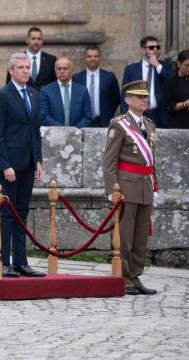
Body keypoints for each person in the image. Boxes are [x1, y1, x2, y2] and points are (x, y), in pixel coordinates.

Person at [0, 53, 46, 278]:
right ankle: (4, 262)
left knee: (22, 211)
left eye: (27, 67)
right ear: (11, 70)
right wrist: (5, 165)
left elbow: (36, 130)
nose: (25, 71)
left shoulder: (34, 94)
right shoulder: (2, 95)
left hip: (28, 162)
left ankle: (21, 261)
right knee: (8, 213)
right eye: (20, 67)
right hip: (9, 163)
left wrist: (38, 159)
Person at [102, 80, 158, 296]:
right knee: (124, 235)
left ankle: (135, 276)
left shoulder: (150, 125)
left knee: (140, 235)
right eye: (139, 97)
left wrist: (156, 186)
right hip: (126, 186)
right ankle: (123, 277)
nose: (144, 100)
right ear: (128, 100)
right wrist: (111, 190)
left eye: (145, 97)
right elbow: (109, 160)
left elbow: (152, 160)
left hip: (145, 186)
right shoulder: (119, 124)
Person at [121, 36, 174, 127]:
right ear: (143, 50)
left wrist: (157, 65)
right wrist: (126, 116)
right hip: (138, 114)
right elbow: (125, 94)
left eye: (157, 47)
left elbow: (172, 81)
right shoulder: (131, 69)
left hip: (160, 116)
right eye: (151, 47)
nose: (155, 50)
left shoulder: (165, 67)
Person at [72, 45, 121, 127]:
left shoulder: (109, 77)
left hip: (104, 121)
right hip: (82, 121)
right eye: (89, 56)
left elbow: (115, 99)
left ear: (100, 58)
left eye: (95, 56)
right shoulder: (77, 78)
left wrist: (107, 113)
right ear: (85, 58)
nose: (92, 59)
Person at [39, 55, 93, 127]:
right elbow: (43, 116)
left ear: (71, 70)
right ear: (55, 70)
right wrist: (62, 130)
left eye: (65, 68)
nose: (62, 71)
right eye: (59, 68)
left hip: (77, 134)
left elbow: (88, 116)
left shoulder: (82, 91)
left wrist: (75, 129)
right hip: (54, 134)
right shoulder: (45, 91)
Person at [6, 27, 57, 91]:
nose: (36, 41)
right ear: (27, 40)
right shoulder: (16, 59)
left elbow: (54, 84)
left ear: (42, 41)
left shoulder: (51, 60)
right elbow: (9, 83)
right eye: (33, 39)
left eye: (39, 39)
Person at [162, 49, 189, 128]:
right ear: (179, 64)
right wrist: (185, 104)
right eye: (186, 65)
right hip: (178, 123)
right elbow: (168, 105)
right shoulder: (171, 80)